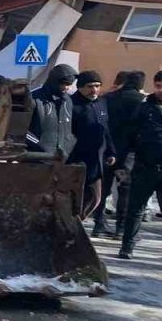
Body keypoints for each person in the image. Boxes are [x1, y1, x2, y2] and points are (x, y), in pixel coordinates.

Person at [118, 69, 162, 267]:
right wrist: (121, 163)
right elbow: (128, 136)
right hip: (145, 167)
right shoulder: (145, 108)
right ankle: (127, 247)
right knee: (135, 209)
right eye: (159, 85)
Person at [99, 70, 147, 237]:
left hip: (106, 149)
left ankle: (98, 224)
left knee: (103, 187)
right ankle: (121, 228)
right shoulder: (141, 101)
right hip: (129, 152)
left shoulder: (107, 98)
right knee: (125, 189)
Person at [68, 70, 116, 221]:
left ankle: (76, 223)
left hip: (96, 160)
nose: (94, 90)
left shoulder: (101, 103)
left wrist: (111, 152)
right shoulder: (71, 104)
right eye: (90, 86)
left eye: (97, 86)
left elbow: (105, 129)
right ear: (80, 87)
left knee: (95, 198)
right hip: (75, 159)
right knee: (74, 197)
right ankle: (70, 226)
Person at [27, 63, 78, 157]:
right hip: (35, 157)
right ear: (54, 81)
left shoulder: (68, 101)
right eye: (63, 84)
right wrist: (40, 145)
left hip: (62, 158)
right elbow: (22, 130)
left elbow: (71, 128)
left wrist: (69, 145)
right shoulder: (34, 99)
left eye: (69, 84)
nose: (66, 88)